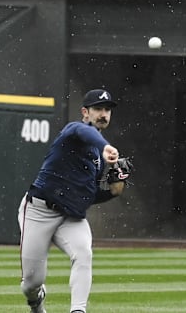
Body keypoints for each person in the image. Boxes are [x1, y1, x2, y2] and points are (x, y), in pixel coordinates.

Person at [18, 88, 126, 313]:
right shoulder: (74, 131)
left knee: (84, 253)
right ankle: (36, 301)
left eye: (107, 109)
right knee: (31, 282)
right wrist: (105, 146)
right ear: (85, 112)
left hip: (70, 217)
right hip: (39, 211)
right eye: (98, 109)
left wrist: (112, 193)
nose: (103, 114)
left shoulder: (97, 157)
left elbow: (87, 194)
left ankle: (78, 310)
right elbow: (86, 133)